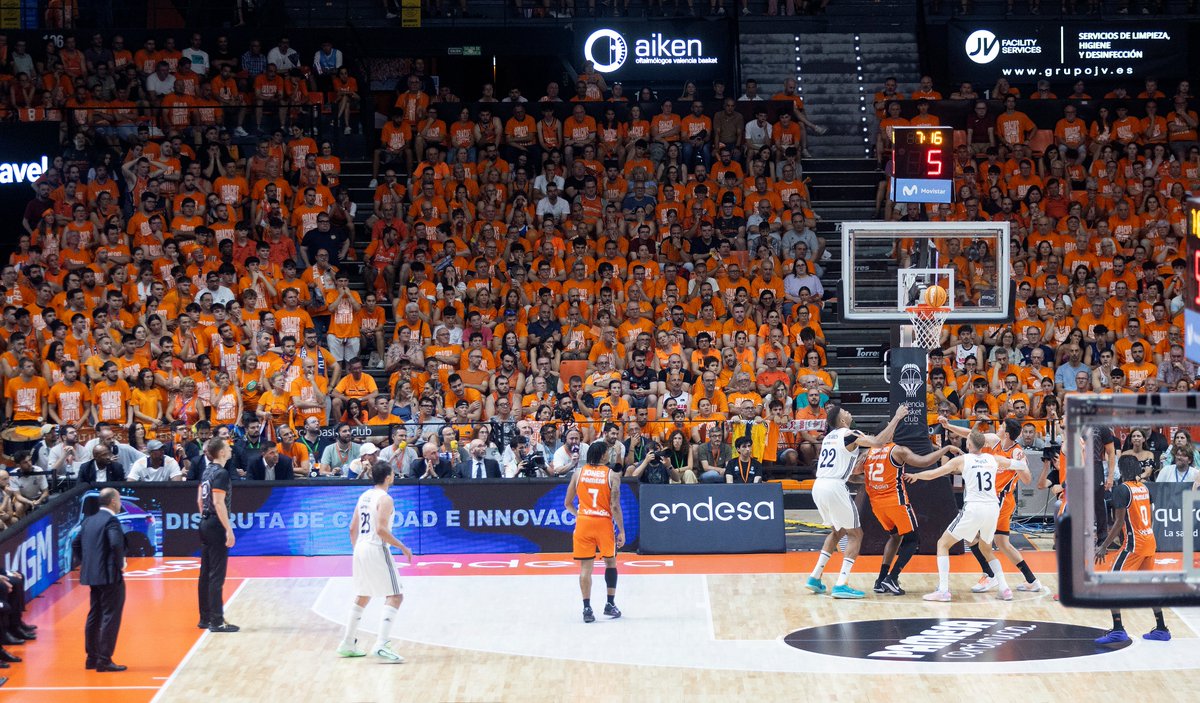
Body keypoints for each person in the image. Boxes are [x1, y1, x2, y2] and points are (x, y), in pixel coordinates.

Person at [908, 430, 1030, 602]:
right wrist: (1022, 463)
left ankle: (943, 590)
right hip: (992, 508)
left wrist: (915, 475)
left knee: (942, 544)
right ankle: (1004, 588)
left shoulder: (962, 460)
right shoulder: (993, 458)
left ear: (970, 444)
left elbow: (934, 473)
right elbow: (1020, 465)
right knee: (986, 549)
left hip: (974, 508)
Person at [807, 404, 907, 599]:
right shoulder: (849, 433)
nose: (849, 413)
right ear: (842, 420)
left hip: (819, 485)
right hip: (834, 487)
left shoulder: (829, 438)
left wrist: (863, 477)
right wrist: (896, 418)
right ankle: (841, 584)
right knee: (856, 534)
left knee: (837, 531)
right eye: (845, 412)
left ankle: (815, 577)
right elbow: (878, 442)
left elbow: (848, 473)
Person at [940, 417, 1044, 594]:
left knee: (973, 536)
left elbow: (1027, 480)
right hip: (995, 501)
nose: (999, 428)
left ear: (1008, 433)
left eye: (1002, 426)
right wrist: (948, 426)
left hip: (1000, 500)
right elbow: (972, 435)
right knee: (1003, 543)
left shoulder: (1017, 452)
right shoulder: (995, 441)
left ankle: (989, 575)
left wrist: (1018, 467)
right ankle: (1032, 580)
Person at [336, 461, 413, 663]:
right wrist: (403, 547)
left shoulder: (364, 496)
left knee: (363, 594)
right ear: (388, 477)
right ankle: (382, 644)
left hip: (360, 547)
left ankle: (348, 643)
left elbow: (352, 528)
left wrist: (357, 550)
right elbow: (380, 530)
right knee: (395, 596)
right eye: (393, 474)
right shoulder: (385, 498)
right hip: (376, 547)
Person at [862, 441, 960, 596]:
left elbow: (854, 473)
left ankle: (880, 581)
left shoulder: (868, 453)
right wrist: (945, 449)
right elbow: (924, 462)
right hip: (896, 502)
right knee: (913, 540)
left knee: (895, 537)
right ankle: (892, 578)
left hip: (876, 504)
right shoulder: (897, 449)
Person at [1095, 455, 1171, 644]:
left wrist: (1103, 546)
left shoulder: (1122, 490)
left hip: (1134, 545)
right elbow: (1151, 517)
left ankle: (1118, 629)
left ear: (1122, 469)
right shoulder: (1144, 488)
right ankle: (1161, 628)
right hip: (1149, 541)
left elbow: (1119, 522)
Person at [564, 441, 625, 624]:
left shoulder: (578, 473)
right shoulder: (612, 475)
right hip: (603, 523)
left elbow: (567, 503)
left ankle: (587, 608)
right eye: (607, 452)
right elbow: (614, 506)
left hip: (584, 522)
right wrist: (621, 530)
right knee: (611, 563)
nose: (609, 455)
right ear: (603, 455)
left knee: (585, 569)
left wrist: (580, 515)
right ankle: (610, 604)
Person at [70, 487, 126, 671]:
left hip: (92, 575)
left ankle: (91, 658)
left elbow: (75, 543)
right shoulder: (112, 521)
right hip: (110, 576)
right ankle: (104, 659)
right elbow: (116, 543)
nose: (120, 504)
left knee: (95, 614)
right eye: (118, 500)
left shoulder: (89, 520)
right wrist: (120, 564)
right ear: (112, 502)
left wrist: (87, 562)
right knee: (111, 616)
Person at [197, 438, 239, 632]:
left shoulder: (207, 471)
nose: (230, 449)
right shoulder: (221, 473)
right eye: (227, 447)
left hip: (205, 522)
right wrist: (228, 529)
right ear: (221, 453)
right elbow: (219, 502)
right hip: (216, 524)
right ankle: (217, 621)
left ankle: (205, 618)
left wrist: (204, 516)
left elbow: (200, 499)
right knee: (216, 575)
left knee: (205, 573)